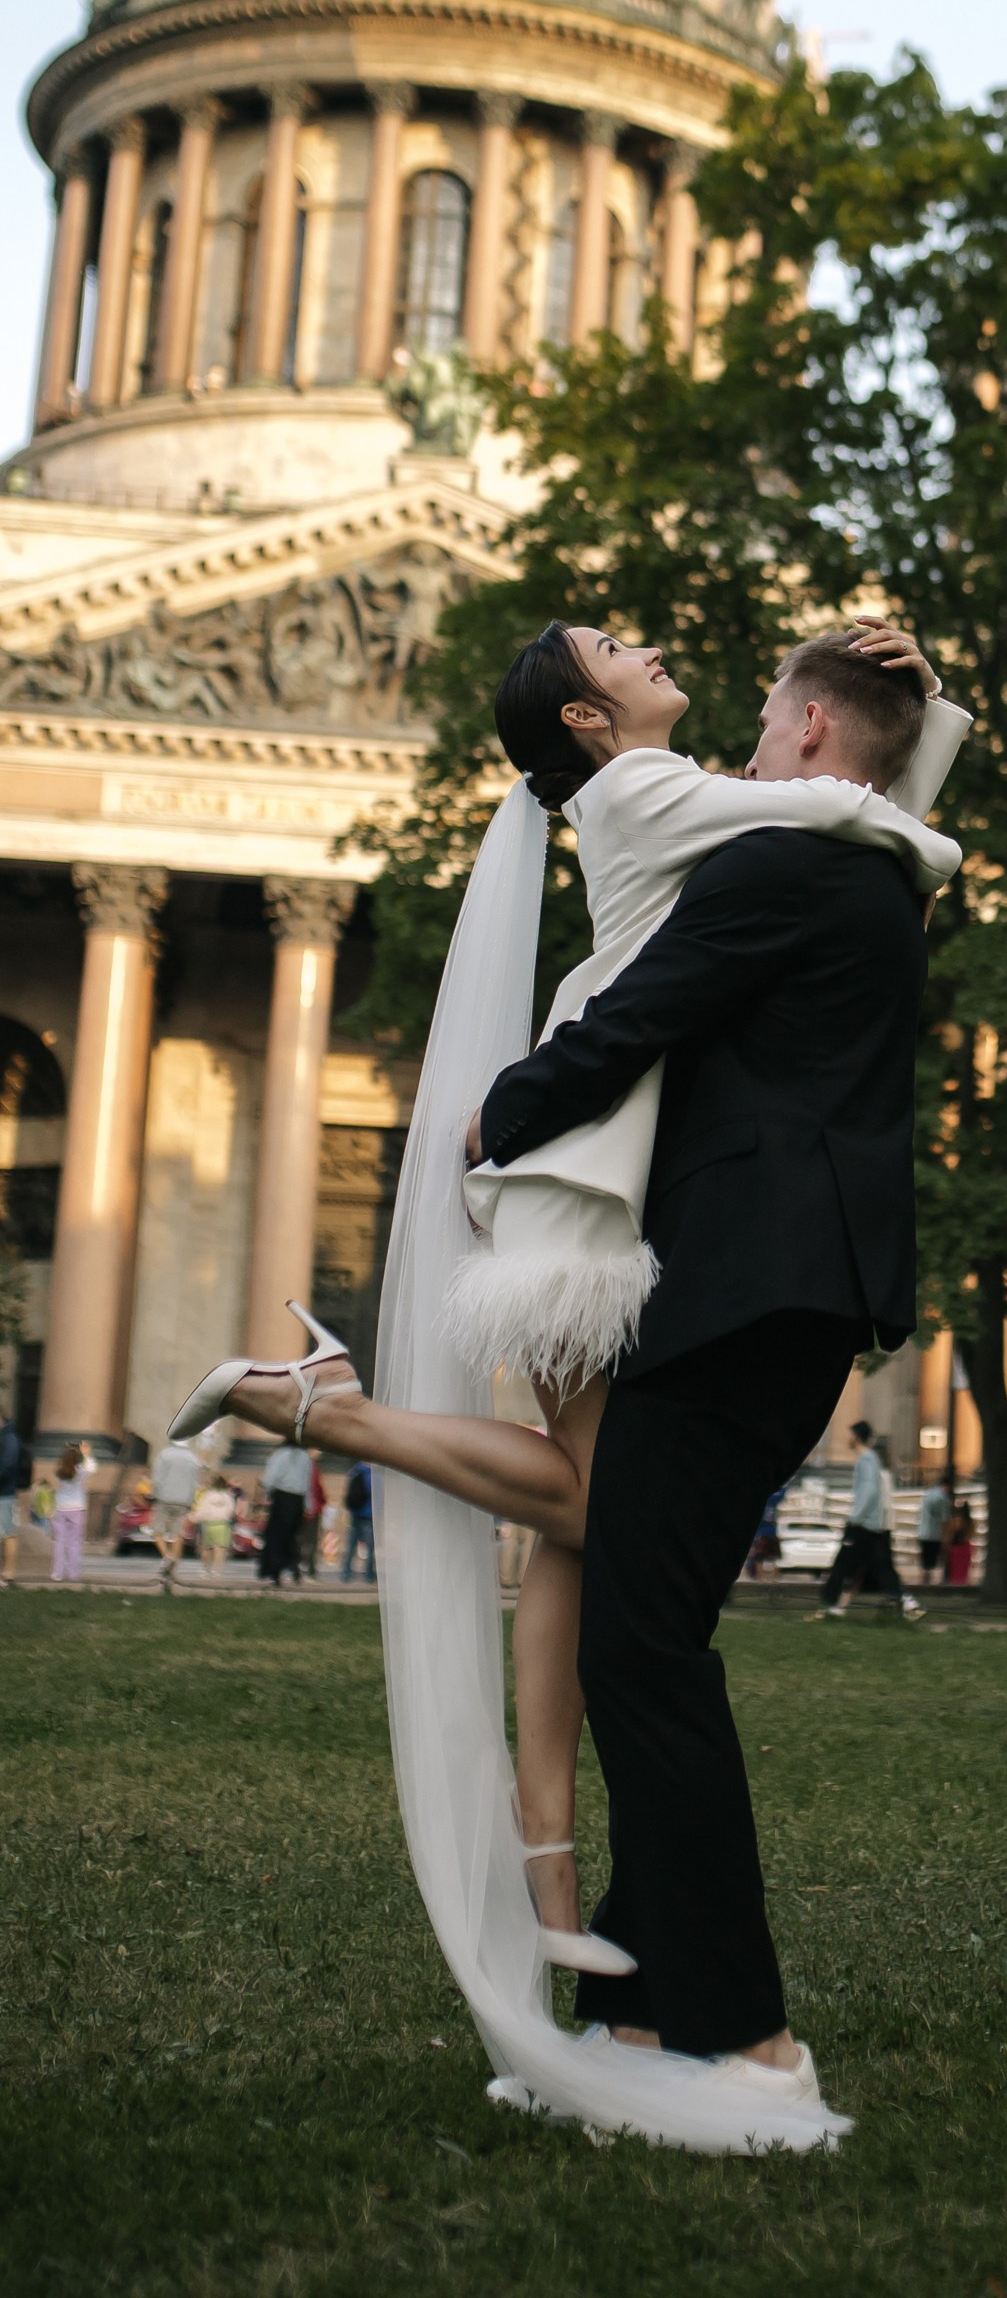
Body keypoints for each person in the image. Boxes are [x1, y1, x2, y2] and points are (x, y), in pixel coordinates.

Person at [175, 619, 965, 2151]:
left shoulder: (774, 864)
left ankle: (748, 2039)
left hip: (742, 1285)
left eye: (766, 728)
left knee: (642, 1653)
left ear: (804, 741)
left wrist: (488, 1123)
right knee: (624, 1610)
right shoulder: (870, 862)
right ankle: (640, 2004)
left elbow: (636, 1021)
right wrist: (905, 697)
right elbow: (886, 787)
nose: (745, 748)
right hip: (783, 1286)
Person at [819, 1422, 920, 1617]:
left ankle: (832, 1605)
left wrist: (855, 1517)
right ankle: (906, 1601)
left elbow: (869, 1491)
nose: (847, 1438)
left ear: (856, 1437)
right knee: (879, 1567)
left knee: (845, 1563)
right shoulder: (871, 1459)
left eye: (850, 1435)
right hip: (872, 1524)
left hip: (864, 1524)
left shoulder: (866, 1460)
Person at [149, 1434, 200, 1589]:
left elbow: (157, 1478)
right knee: (178, 1534)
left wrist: (155, 1494)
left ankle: (167, 1557)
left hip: (165, 1498)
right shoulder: (192, 1458)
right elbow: (194, 1482)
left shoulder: (165, 1455)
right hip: (183, 1500)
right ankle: (173, 1570)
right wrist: (191, 1500)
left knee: (157, 1531)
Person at [256, 1439, 309, 1585]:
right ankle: (293, 1566)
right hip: (298, 1499)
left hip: (282, 1497)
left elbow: (270, 1478)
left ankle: (274, 1571)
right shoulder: (306, 1457)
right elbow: (307, 1482)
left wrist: (266, 1492)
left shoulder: (280, 1455)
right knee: (291, 1536)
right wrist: (307, 1505)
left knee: (275, 1536)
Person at [49, 1442, 93, 1582]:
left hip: (61, 1507)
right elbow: (92, 1467)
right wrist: (87, 1454)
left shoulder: (60, 1472)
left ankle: (57, 1572)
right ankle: (73, 1572)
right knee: (74, 1542)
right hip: (77, 1508)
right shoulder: (81, 1471)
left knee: (59, 1541)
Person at [341, 1459, 376, 1583]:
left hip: (355, 1514)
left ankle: (345, 1573)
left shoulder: (354, 1472)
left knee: (351, 1546)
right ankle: (369, 1575)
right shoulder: (371, 1475)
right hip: (368, 1514)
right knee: (369, 1547)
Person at [195, 1473, 236, 1577]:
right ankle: (217, 1571)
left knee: (206, 1548)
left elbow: (202, 1510)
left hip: (208, 1524)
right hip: (222, 1525)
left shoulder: (207, 1495)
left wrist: (196, 1518)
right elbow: (231, 1510)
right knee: (220, 1549)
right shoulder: (228, 1496)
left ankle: (205, 1569)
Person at [0, 1407, 23, 1585]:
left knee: (7, 1534)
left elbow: (6, 1467)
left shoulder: (9, 1439)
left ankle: (8, 1575)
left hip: (4, 1494)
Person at [914, 1478, 948, 1585]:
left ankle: (924, 1579)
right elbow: (943, 1519)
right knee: (931, 1559)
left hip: (923, 1532)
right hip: (934, 1533)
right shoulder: (941, 1498)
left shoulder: (927, 1495)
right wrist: (945, 1535)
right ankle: (927, 1581)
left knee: (925, 1559)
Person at [943, 1497, 976, 1588]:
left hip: (956, 1548)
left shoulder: (954, 1521)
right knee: (962, 1572)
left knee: (955, 1572)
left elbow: (950, 1534)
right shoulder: (970, 1522)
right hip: (965, 1547)